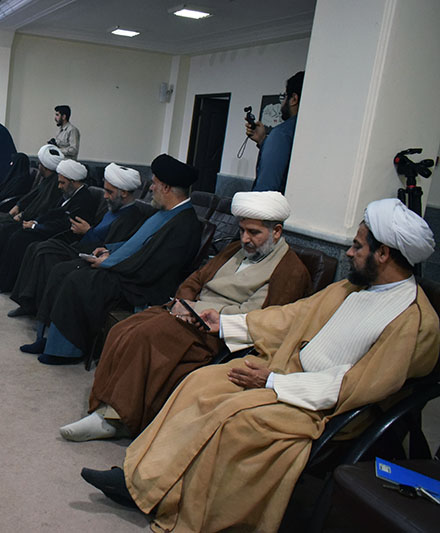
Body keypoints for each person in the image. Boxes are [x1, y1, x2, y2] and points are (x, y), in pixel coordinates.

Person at [80, 197, 439, 533]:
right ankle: (141, 482)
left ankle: (181, 506)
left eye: (358, 247)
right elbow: (291, 316)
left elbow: (361, 386)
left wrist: (274, 382)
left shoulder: (414, 321)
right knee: (201, 383)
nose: (348, 252)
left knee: (236, 419)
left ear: (383, 253)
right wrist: (227, 324)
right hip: (283, 371)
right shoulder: (351, 288)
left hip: (322, 406)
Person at [59, 191, 311, 441]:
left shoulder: (289, 271)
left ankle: (115, 419)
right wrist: (185, 302)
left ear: (276, 231)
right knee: (123, 329)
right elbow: (196, 279)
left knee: (146, 336)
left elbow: (259, 318)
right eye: (242, 230)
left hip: (218, 332)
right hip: (189, 312)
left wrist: (197, 310)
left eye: (254, 232)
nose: (245, 239)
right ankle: (104, 405)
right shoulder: (236, 249)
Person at [27, 154, 202, 365]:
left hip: (142, 284)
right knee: (64, 269)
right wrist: (109, 250)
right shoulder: (166, 212)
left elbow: (157, 264)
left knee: (78, 279)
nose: (150, 188)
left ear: (166, 188)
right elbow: (137, 243)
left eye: (154, 183)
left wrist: (110, 263)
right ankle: (46, 338)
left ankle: (66, 351)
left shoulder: (186, 224)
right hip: (131, 269)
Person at [8, 163, 148, 317]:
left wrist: (87, 231)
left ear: (124, 193)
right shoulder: (114, 208)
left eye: (109, 192)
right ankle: (26, 302)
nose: (105, 196)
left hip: (90, 253)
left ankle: (38, 311)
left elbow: (108, 247)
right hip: (82, 245)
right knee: (35, 247)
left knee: (45, 252)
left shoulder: (130, 217)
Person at [0, 159, 101, 294]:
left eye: (62, 183)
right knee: (7, 229)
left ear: (73, 182)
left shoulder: (84, 200)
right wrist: (35, 222)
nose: (59, 186)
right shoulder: (68, 193)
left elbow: (64, 225)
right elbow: (51, 213)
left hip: (59, 236)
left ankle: (5, 283)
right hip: (46, 227)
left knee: (19, 238)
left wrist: (36, 227)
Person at [246, 71, 304, 193]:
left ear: (294, 99)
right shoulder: (315, 132)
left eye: (284, 96)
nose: (282, 102)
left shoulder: (282, 134)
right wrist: (263, 141)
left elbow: (265, 191)